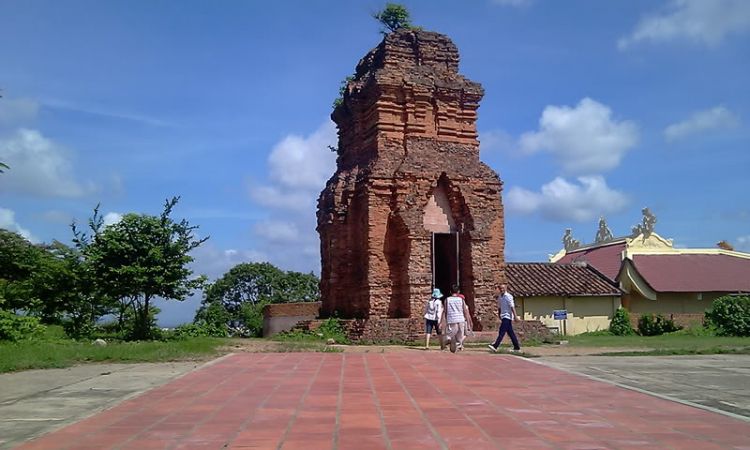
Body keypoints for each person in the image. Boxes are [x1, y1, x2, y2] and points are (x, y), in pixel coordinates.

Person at [488, 282, 521, 353]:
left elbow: (512, 306)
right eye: (500, 288)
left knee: (502, 331)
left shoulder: (509, 296)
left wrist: (515, 316)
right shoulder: (500, 297)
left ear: (506, 288)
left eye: (503, 288)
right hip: (503, 316)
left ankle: (495, 345)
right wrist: (499, 314)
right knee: (510, 333)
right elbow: (499, 307)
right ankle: (516, 347)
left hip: (508, 316)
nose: (502, 289)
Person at [440, 285, 472, 353]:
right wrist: (468, 323)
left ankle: (448, 339)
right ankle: (457, 344)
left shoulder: (447, 300)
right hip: (460, 319)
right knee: (460, 336)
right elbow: (465, 312)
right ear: (458, 292)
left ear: (450, 292)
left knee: (450, 333)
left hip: (451, 319)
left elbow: (445, 312)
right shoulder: (461, 300)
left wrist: (442, 322)